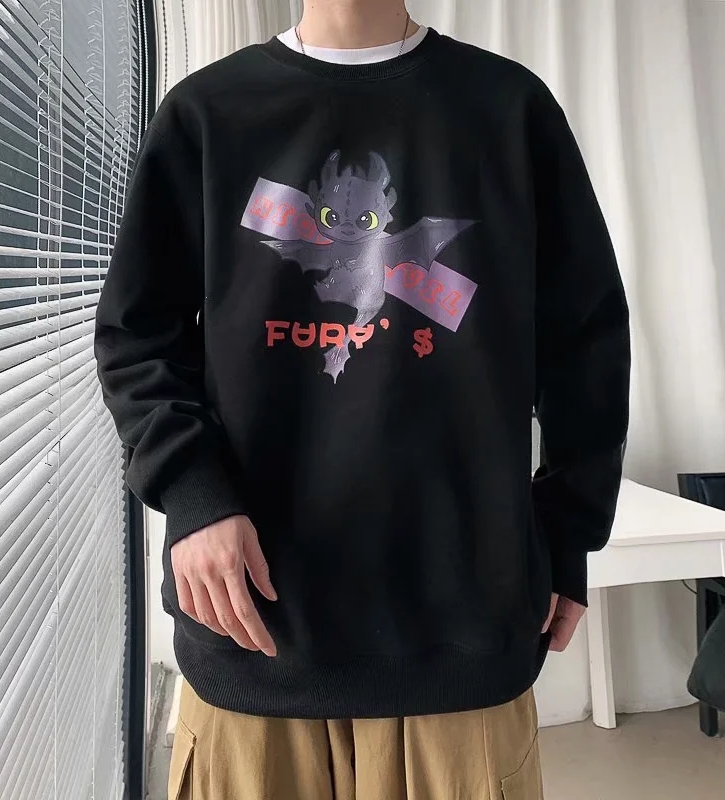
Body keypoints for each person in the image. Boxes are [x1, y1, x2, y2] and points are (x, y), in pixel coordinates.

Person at [95, 0, 630, 797]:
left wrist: (568, 534)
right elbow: (137, 334)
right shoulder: (207, 114)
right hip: (253, 625)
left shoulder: (508, 109)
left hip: (459, 628)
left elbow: (585, 341)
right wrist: (193, 495)